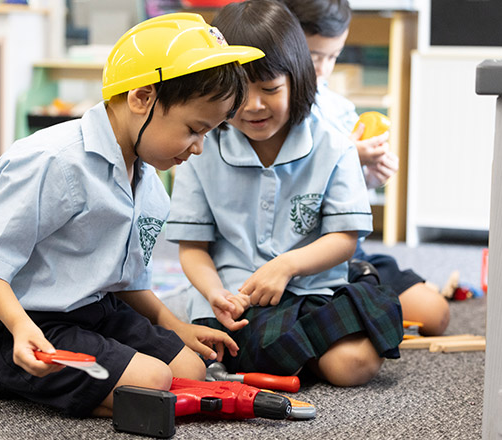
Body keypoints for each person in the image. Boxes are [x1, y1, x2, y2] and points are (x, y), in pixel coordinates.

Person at [0, 13, 264, 418]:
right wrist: (20, 327)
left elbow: (124, 279)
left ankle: (38, 377)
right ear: (142, 98)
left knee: (192, 369)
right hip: (10, 317)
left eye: (208, 134)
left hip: (90, 307)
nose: (198, 147)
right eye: (193, 129)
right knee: (152, 386)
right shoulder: (53, 161)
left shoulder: (149, 181)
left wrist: (173, 324)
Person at [166, 0, 403, 387]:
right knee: (204, 358)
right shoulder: (201, 148)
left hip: (312, 288)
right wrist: (214, 293)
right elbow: (193, 248)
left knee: (355, 365)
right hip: (235, 300)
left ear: (298, 79)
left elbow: (345, 237)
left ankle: (293, 349)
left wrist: (287, 265)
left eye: (270, 89)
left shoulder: (333, 143)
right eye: (238, 92)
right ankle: (292, 351)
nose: (254, 106)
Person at [282, 0, 450, 335]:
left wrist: (367, 176)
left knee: (436, 314)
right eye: (314, 56)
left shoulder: (338, 107)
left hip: (347, 252)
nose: (322, 69)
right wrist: (342, 157)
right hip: (297, 253)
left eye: (332, 56)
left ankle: (357, 310)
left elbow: (345, 194)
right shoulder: (272, 106)